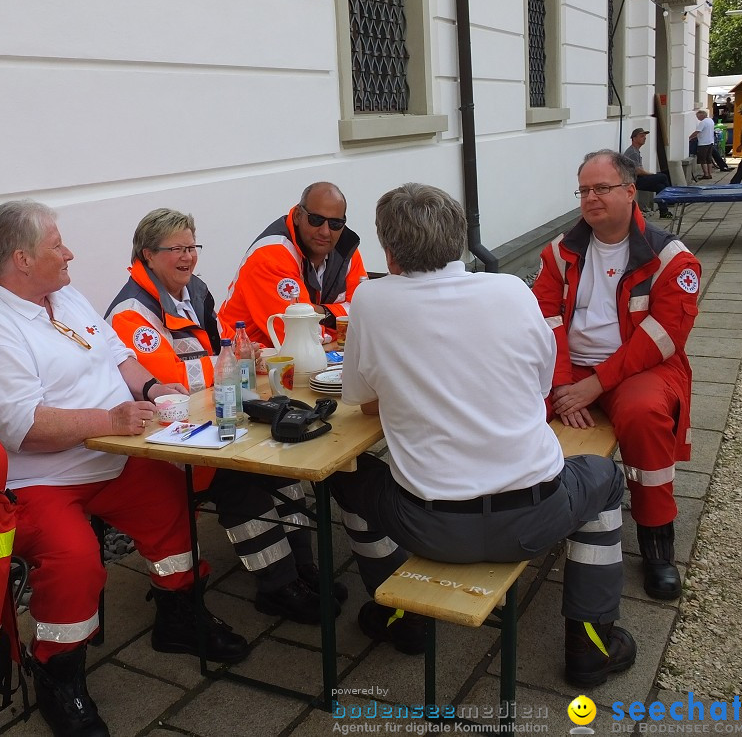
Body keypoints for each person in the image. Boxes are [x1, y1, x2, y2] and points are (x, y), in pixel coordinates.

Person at [0, 200, 249, 737]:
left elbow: (117, 356)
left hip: (112, 456)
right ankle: (57, 673)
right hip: (37, 480)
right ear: (21, 259)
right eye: (57, 246)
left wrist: (155, 389)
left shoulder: (61, 297)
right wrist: (111, 419)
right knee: (75, 561)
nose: (70, 254)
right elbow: (24, 427)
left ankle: (179, 619)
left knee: (173, 504)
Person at [328, 182, 635, 687]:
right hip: (537, 516)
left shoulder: (371, 300)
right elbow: (537, 385)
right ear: (460, 241)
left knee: (349, 477)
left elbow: (361, 399)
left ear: (388, 249)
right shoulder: (510, 289)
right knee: (602, 477)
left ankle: (402, 619)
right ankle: (591, 642)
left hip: (429, 524)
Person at [105, 208, 348, 624]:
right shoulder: (132, 312)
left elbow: (219, 347)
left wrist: (235, 356)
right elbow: (170, 378)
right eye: (176, 249)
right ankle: (277, 586)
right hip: (164, 439)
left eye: (191, 247)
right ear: (147, 254)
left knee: (281, 465)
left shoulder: (193, 290)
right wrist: (228, 361)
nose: (188, 257)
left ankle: (300, 567)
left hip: (209, 416)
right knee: (241, 481)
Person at [532, 150, 701, 603]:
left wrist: (594, 385)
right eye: (584, 190)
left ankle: (656, 541)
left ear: (631, 191)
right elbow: (545, 320)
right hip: (571, 370)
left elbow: (662, 337)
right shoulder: (559, 252)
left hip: (639, 368)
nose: (590, 198)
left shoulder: (671, 258)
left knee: (645, 415)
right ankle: (519, 511)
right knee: (514, 405)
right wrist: (566, 384)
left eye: (601, 188)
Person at [218, 182, 368, 347]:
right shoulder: (270, 256)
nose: (325, 231)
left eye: (335, 224)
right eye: (316, 220)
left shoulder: (346, 250)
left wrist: (322, 312)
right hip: (245, 361)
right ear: (297, 215)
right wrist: (340, 321)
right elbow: (300, 338)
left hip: (303, 358)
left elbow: (366, 315)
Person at [621, 128, 673, 219]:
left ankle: (664, 211)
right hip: (634, 180)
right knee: (663, 176)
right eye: (641, 136)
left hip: (637, 179)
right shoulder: (632, 152)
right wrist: (651, 175)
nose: (644, 138)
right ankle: (671, 198)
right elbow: (638, 171)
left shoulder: (636, 151)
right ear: (634, 138)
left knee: (659, 186)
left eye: (645, 136)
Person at [688, 109, 715, 181]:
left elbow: (697, 132)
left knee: (703, 159)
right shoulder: (710, 121)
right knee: (708, 159)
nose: (697, 118)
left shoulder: (703, 122)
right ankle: (710, 173)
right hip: (710, 141)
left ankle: (706, 174)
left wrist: (689, 137)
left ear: (701, 115)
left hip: (703, 143)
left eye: (698, 116)